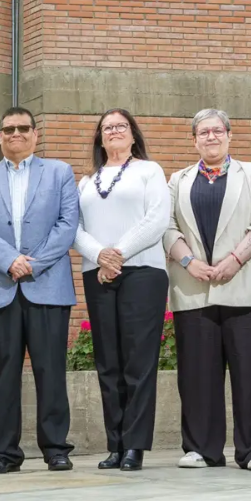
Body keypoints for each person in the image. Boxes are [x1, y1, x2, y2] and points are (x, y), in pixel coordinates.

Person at [163, 109, 251, 472]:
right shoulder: (178, 180)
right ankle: (202, 449)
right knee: (197, 375)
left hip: (247, 286)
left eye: (217, 131)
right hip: (194, 288)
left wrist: (236, 258)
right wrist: (188, 262)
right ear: (194, 140)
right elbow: (165, 225)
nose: (211, 137)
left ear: (229, 135)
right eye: (203, 132)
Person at [0, 107, 78, 474]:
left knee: (51, 371)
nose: (16, 134)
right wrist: (9, 260)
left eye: (23, 128)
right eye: (8, 129)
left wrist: (33, 263)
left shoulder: (60, 172)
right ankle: (5, 452)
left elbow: (67, 223)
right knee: (4, 376)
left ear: (35, 134)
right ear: (0, 136)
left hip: (47, 286)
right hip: (1, 288)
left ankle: (56, 448)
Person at [73, 109, 169, 471]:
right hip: (98, 273)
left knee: (138, 361)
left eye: (120, 126)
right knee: (108, 362)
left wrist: (118, 254)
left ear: (133, 134)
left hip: (142, 272)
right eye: (107, 127)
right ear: (100, 137)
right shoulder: (86, 182)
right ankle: (115, 444)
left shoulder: (149, 171)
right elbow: (74, 227)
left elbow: (157, 219)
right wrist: (100, 256)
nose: (113, 131)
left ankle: (135, 446)